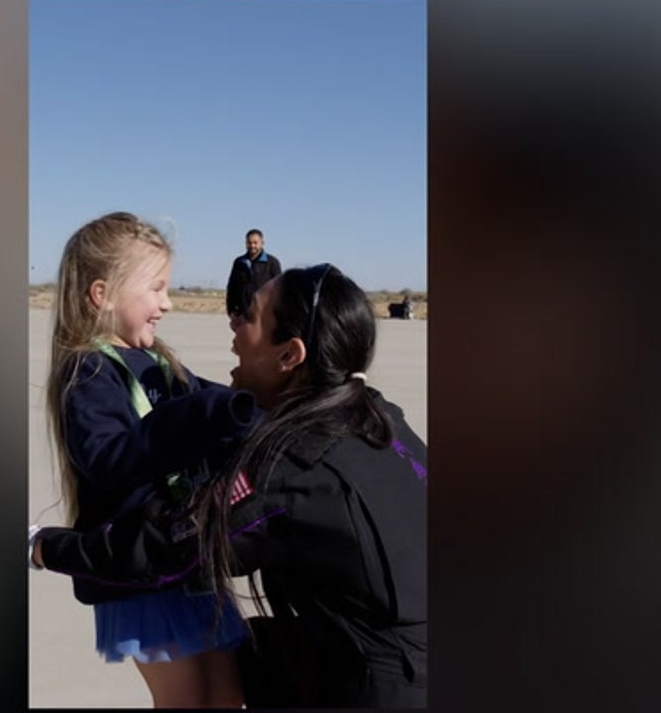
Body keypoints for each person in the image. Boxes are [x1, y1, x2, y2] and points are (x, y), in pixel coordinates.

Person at [33, 264, 429, 708]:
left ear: (289, 356)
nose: (235, 323)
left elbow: (165, 550)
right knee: (237, 653)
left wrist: (47, 547)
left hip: (388, 688)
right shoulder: (378, 416)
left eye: (251, 316)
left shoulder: (292, 470)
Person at [42, 212, 260, 708]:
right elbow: (106, 458)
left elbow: (220, 410)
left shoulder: (161, 362)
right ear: (103, 294)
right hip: (141, 570)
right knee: (185, 700)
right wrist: (183, 423)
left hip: (191, 559)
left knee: (227, 696)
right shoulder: (89, 370)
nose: (166, 303)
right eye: (156, 288)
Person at [225, 229, 282, 318]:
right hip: (243, 313)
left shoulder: (272, 263)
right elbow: (232, 286)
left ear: (262, 243)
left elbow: (279, 289)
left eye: (255, 242)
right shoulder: (239, 262)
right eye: (249, 243)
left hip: (264, 314)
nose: (252, 245)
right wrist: (231, 309)